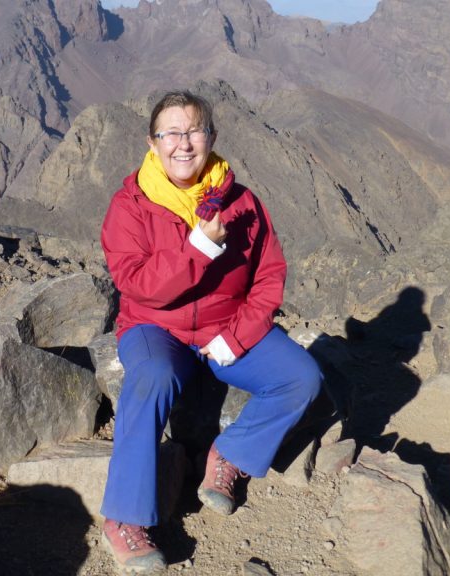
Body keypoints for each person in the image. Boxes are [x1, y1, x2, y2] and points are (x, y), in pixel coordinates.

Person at [99, 90, 322, 573]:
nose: (183, 143)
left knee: (300, 377)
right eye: (171, 133)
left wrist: (237, 337)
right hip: (155, 328)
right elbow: (136, 284)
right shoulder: (130, 205)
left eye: (193, 130)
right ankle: (124, 517)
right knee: (153, 378)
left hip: (224, 328)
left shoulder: (242, 203)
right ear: (152, 142)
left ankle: (232, 452)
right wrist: (198, 247)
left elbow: (268, 277)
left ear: (212, 137)